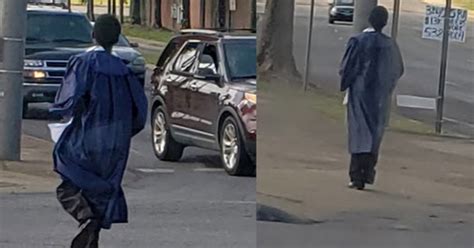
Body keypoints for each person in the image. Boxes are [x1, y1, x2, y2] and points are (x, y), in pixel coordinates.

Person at [50, 14, 148, 247]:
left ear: (93, 35)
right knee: (100, 191)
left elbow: (70, 99)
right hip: (115, 142)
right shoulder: (125, 72)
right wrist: (123, 134)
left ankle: (87, 219)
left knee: (68, 178)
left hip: (87, 135)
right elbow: (140, 112)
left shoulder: (83, 63)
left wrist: (58, 113)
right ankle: (91, 237)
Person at [339, 6, 404, 190]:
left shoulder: (358, 41)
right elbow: (398, 69)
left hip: (360, 92)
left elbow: (347, 68)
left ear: (369, 19)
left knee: (359, 133)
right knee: (375, 135)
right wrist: (387, 87)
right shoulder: (390, 44)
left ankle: (355, 176)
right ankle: (368, 173)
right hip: (380, 96)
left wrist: (347, 83)